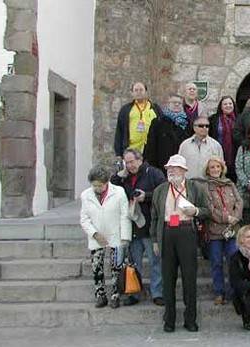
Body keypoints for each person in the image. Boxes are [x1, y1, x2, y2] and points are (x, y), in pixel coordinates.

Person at [150, 154, 211, 332]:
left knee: (189, 278)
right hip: (167, 232)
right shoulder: (160, 190)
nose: (172, 172)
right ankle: (169, 320)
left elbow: (207, 210)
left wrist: (196, 211)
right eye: (169, 169)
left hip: (186, 232)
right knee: (168, 279)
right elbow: (154, 218)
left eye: (176, 169)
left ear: (184, 171)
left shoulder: (194, 188)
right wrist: (154, 240)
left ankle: (190, 319)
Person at [110, 148, 166, 307]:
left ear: (140, 160)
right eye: (126, 163)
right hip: (132, 227)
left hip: (149, 225)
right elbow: (112, 190)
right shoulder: (124, 177)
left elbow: (164, 192)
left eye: (131, 162)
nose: (129, 165)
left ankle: (157, 293)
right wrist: (117, 176)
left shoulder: (153, 173)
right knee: (134, 264)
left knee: (156, 262)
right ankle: (134, 293)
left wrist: (146, 196)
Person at [80, 165, 131, 309]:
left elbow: (124, 215)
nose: (97, 188)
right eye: (94, 185)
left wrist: (125, 237)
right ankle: (100, 295)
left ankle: (115, 294)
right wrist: (94, 234)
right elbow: (84, 219)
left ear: (107, 182)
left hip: (115, 234)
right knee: (97, 267)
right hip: (97, 236)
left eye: (100, 185)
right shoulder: (86, 195)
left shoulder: (119, 192)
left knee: (116, 266)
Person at [200, 157, 243, 306]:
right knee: (217, 263)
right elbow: (210, 209)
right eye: (212, 167)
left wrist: (235, 218)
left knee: (233, 262)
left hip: (232, 231)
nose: (215, 170)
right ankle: (219, 292)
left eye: (217, 167)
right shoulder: (205, 187)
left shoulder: (229, 183)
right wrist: (227, 218)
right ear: (208, 170)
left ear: (222, 168)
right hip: (215, 232)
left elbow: (239, 202)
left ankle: (233, 292)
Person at [144, 93, 192, 174]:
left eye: (179, 103)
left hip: (182, 164)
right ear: (168, 104)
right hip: (162, 164)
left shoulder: (188, 123)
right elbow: (151, 145)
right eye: (174, 102)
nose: (177, 104)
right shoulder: (158, 122)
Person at [114, 82, 163, 158]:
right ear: (132, 93)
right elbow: (119, 131)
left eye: (141, 90)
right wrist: (118, 153)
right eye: (136, 90)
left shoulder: (155, 108)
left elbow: (162, 128)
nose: (138, 92)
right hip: (131, 150)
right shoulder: (126, 110)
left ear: (146, 92)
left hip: (152, 150)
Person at [178, 115, 224, 179]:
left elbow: (221, 168)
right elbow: (179, 167)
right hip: (189, 184)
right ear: (194, 127)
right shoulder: (185, 145)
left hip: (209, 185)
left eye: (207, 126)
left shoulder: (216, 145)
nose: (204, 128)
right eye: (201, 126)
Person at [209, 96, 238, 182]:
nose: (228, 106)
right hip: (218, 154)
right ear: (221, 106)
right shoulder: (213, 119)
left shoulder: (239, 119)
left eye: (230, 103)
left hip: (234, 155)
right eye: (225, 104)